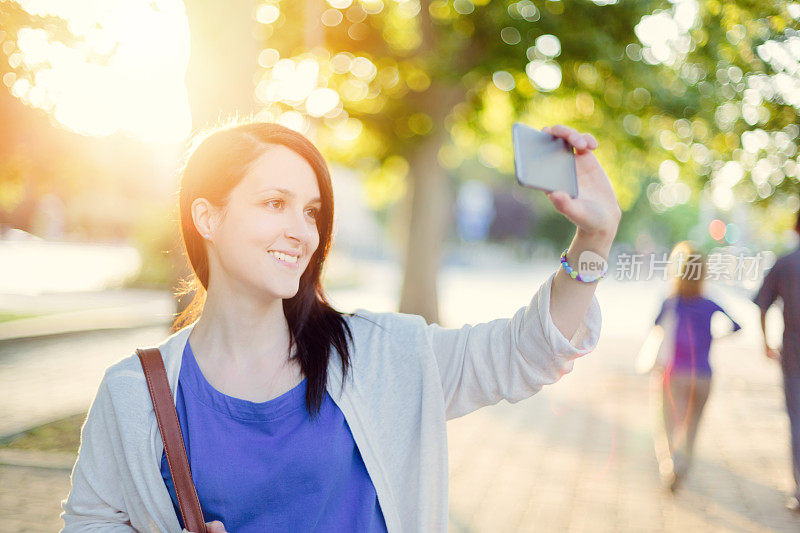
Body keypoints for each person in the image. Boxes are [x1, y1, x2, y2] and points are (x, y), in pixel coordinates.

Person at [60, 122, 620, 532]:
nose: (301, 231)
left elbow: (526, 351)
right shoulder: (134, 393)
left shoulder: (382, 355)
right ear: (207, 217)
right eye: (274, 202)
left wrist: (593, 240)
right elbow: (90, 524)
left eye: (311, 212)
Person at [651, 241, 741, 493]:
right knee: (692, 425)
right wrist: (714, 339)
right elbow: (737, 326)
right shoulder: (710, 303)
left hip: (675, 372)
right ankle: (684, 463)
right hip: (703, 373)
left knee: (669, 422)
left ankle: (671, 464)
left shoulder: (672, 301)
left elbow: (656, 326)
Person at [753, 212, 800, 513]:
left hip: (794, 357)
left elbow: (762, 303)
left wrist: (765, 343)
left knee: (798, 423)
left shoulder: (784, 263)